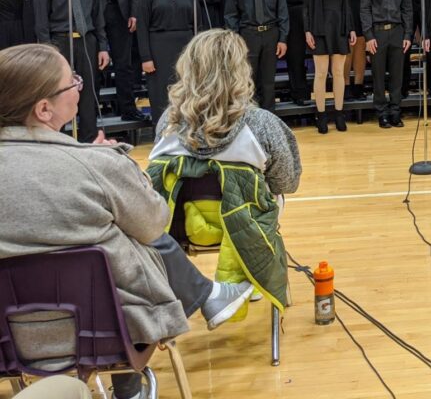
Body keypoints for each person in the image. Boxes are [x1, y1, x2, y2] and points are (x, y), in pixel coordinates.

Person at [0, 43, 253, 399]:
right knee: (128, 234)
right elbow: (154, 224)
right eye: (71, 81)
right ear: (44, 109)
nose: (79, 85)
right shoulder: (97, 164)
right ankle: (131, 387)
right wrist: (118, 169)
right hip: (105, 334)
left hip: (7, 341)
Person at [149, 29, 300, 323]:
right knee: (269, 194)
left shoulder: (167, 122)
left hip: (181, 228)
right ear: (240, 69)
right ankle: (249, 273)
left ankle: (239, 280)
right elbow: (287, 184)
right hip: (247, 226)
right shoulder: (262, 124)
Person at [224, 0, 289, 112]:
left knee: (268, 80)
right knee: (247, 79)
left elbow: (281, 9)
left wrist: (282, 38)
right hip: (247, 33)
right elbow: (231, 13)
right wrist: (236, 39)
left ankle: (269, 118)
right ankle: (249, 118)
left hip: (271, 32)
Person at [304, 0, 357, 134]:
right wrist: (308, 31)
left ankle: (339, 113)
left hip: (340, 30)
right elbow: (306, 8)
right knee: (320, 74)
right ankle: (321, 114)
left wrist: (350, 28)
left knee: (339, 73)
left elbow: (347, 7)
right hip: (319, 30)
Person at [361, 0, 413, 128]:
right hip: (377, 33)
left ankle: (395, 111)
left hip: (398, 32)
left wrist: (408, 35)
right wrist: (368, 36)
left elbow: (408, 9)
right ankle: (381, 113)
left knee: (397, 75)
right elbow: (365, 8)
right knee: (379, 75)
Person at [136, 0, 194, 124]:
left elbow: (198, 24)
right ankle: (162, 132)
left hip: (185, 45)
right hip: (158, 47)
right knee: (161, 92)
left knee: (185, 90)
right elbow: (142, 28)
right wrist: (146, 57)